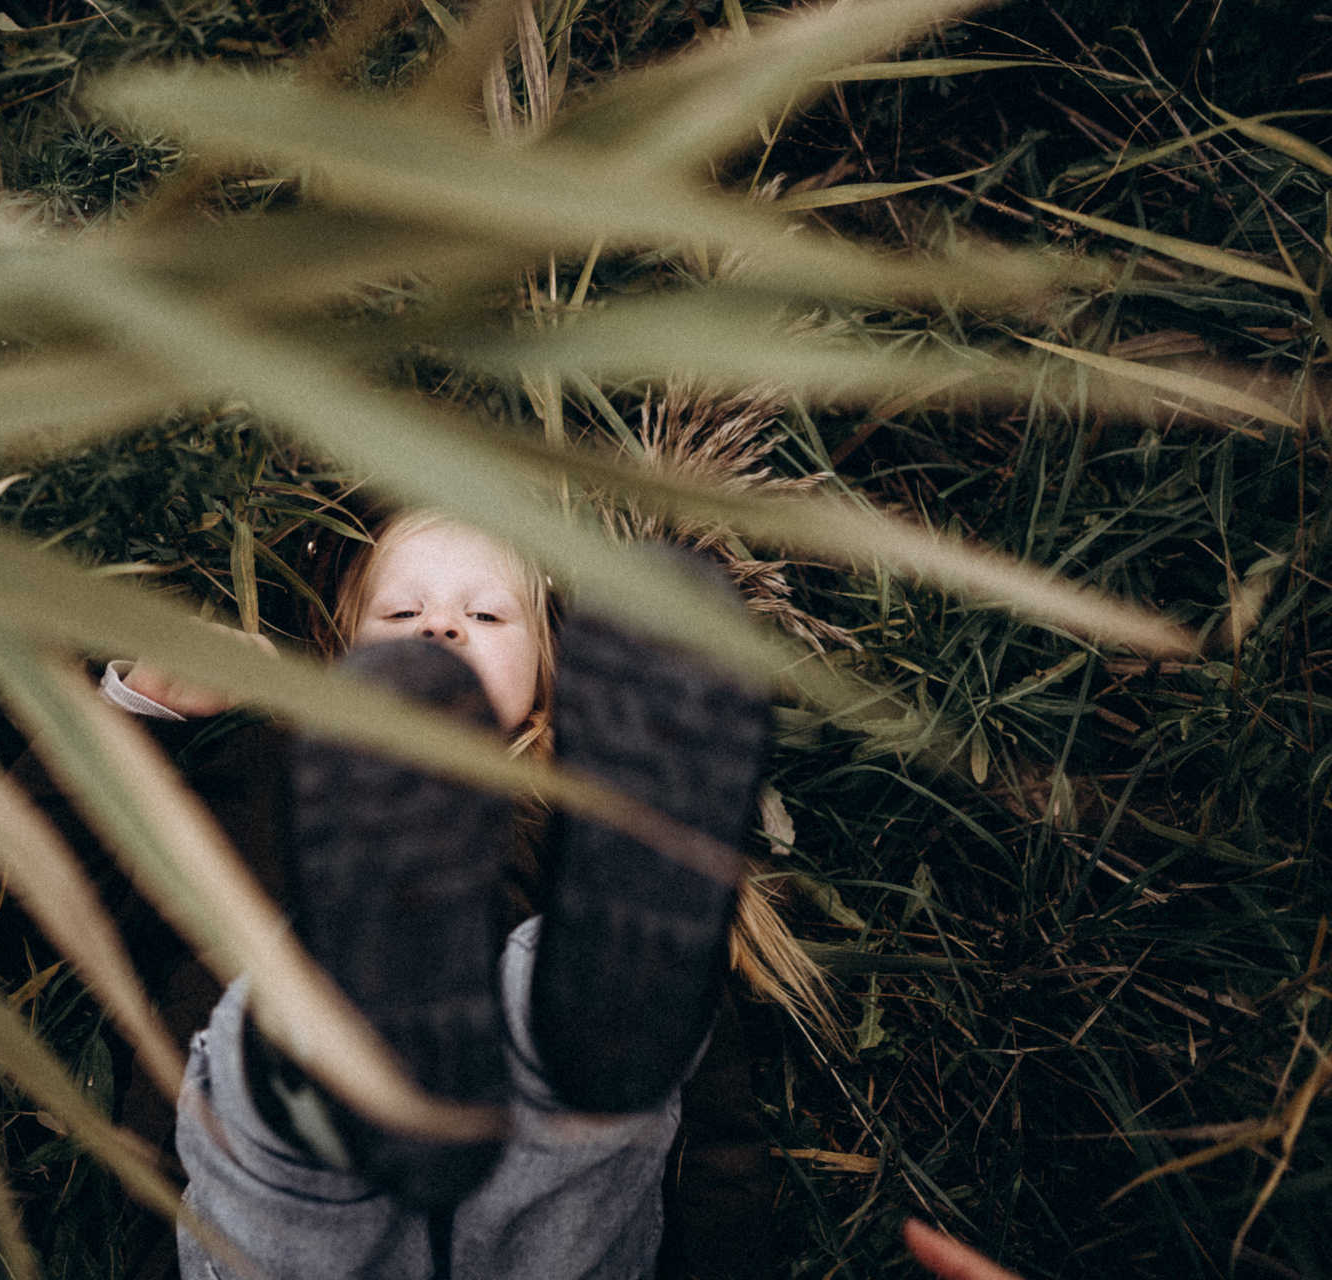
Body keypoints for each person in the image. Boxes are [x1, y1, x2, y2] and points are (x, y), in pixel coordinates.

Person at [100, 512, 831, 1280]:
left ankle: (540, 1015)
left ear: (547, 669)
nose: (441, 628)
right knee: (305, 1038)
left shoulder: (575, 836)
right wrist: (142, 712)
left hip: (531, 1214)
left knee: (582, 1040)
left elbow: (713, 1137)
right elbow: (70, 886)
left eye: (484, 615)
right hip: (287, 1225)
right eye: (401, 615)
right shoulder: (265, 771)